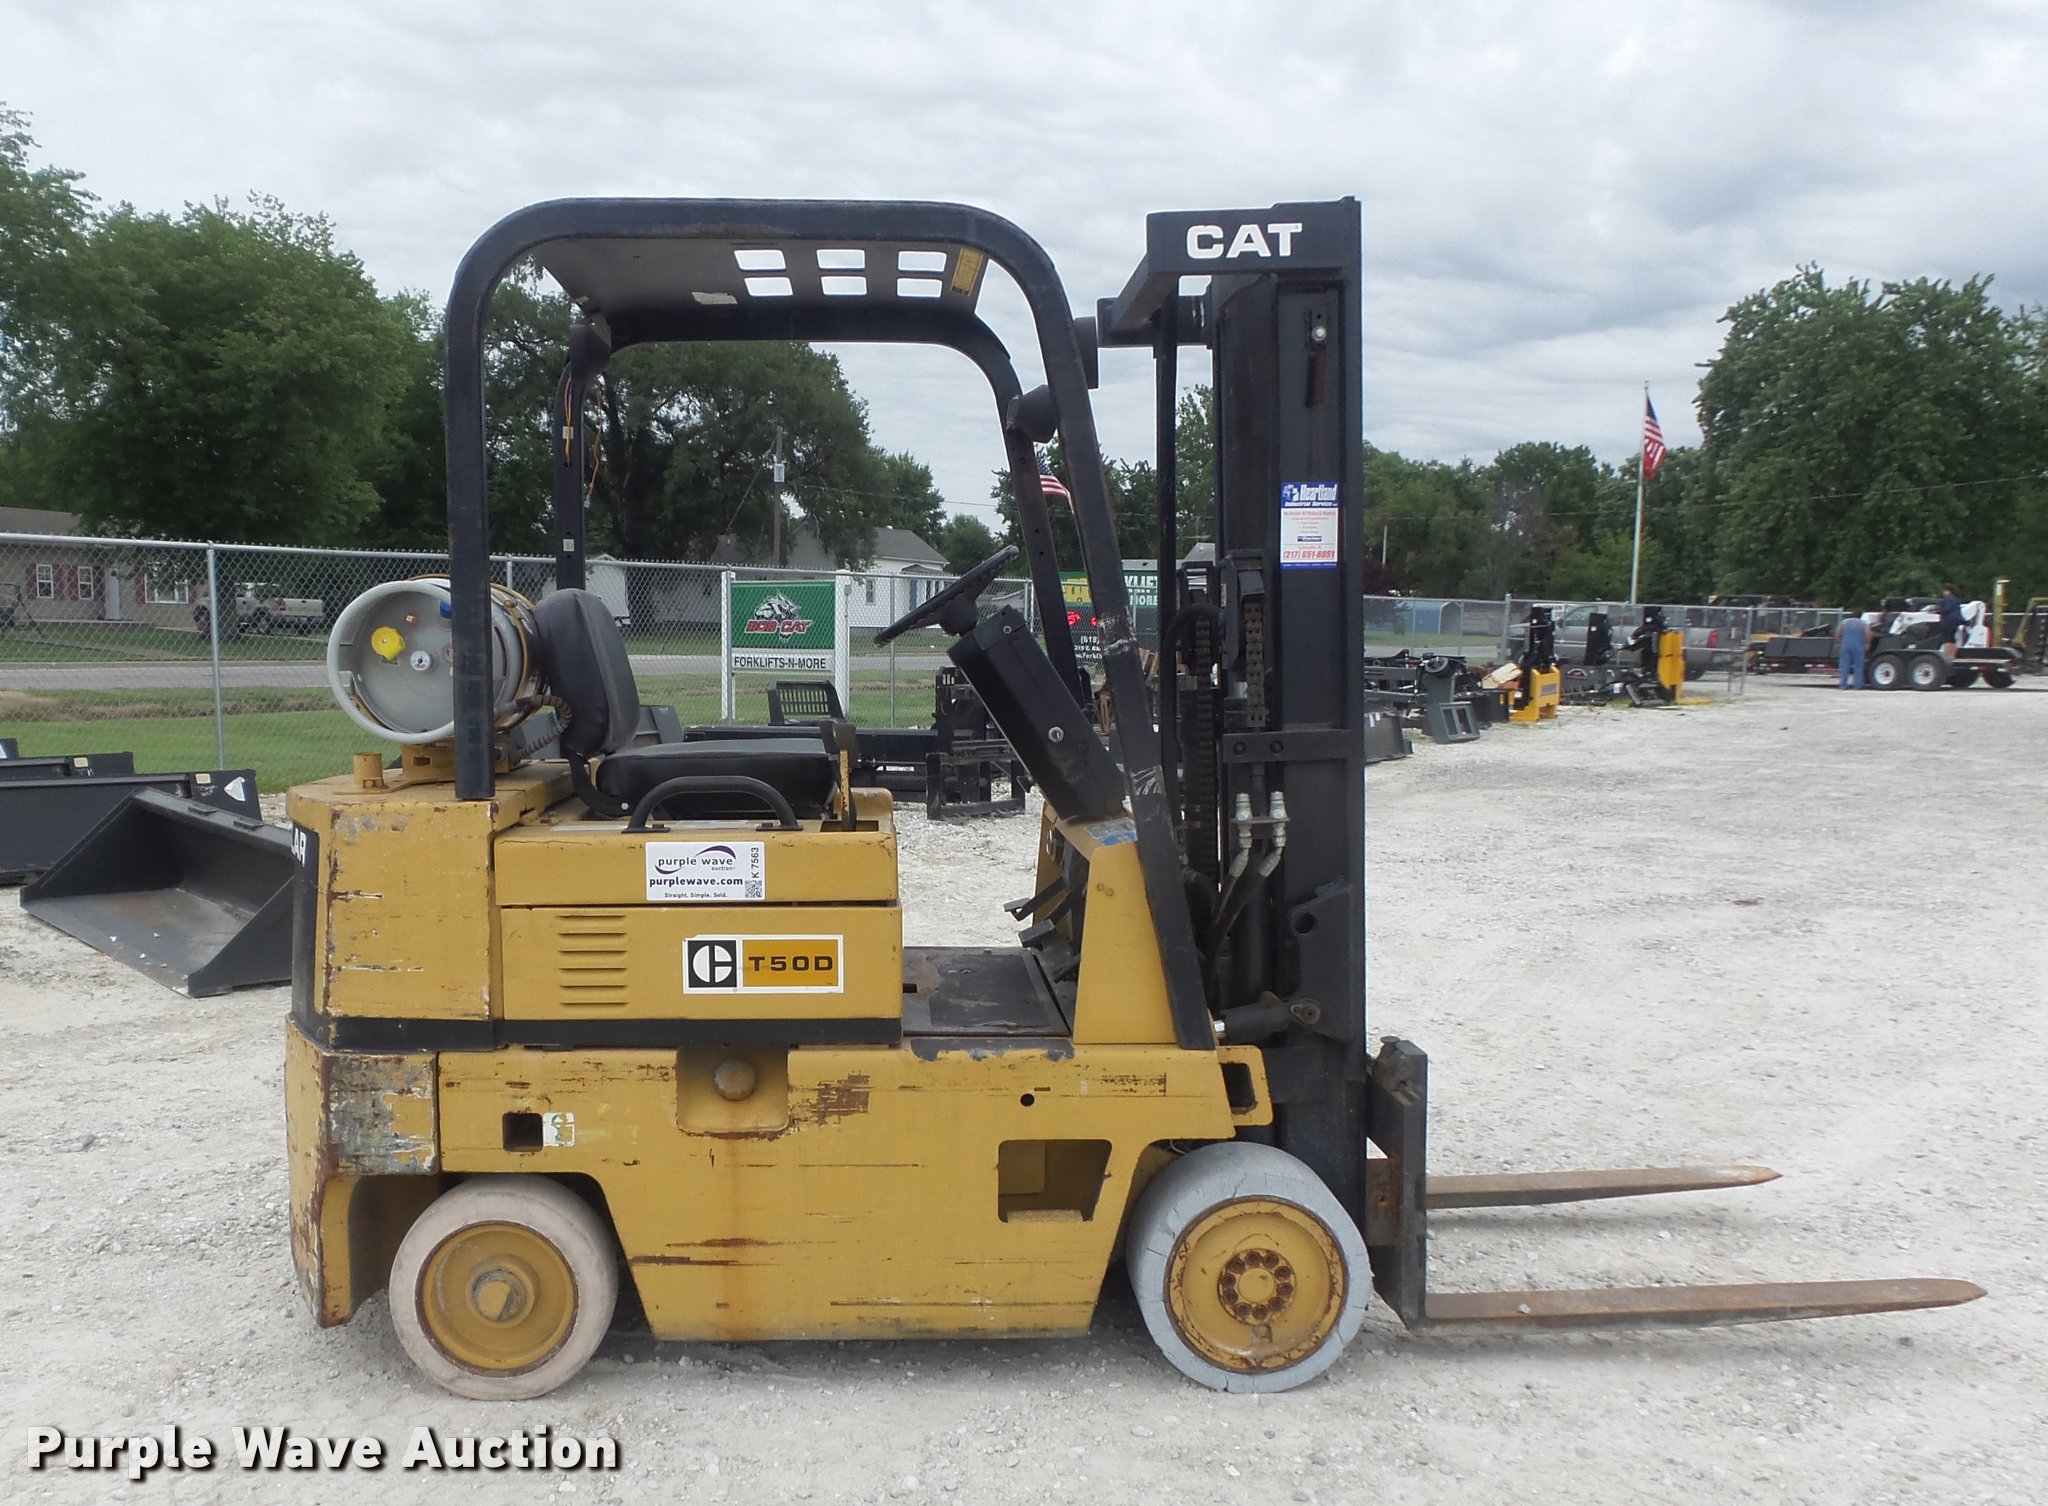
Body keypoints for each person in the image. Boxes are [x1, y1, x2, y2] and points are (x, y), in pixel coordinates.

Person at [1835, 609, 1870, 689]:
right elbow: (1868, 634)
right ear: (1860, 616)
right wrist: (1867, 644)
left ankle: (1843, 685)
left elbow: (1838, 633)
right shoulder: (1863, 623)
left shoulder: (1844, 622)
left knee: (1844, 665)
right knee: (1858, 666)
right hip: (1858, 645)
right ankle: (1857, 685)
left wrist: (1838, 643)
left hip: (1846, 645)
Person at [1937, 584, 1964, 659]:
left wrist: (1938, 611)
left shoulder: (1947, 598)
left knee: (1946, 639)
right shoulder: (1956, 599)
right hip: (1955, 622)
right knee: (1952, 639)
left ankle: (1946, 657)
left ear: (1948, 591)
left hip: (1947, 621)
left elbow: (1945, 609)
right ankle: (1953, 656)